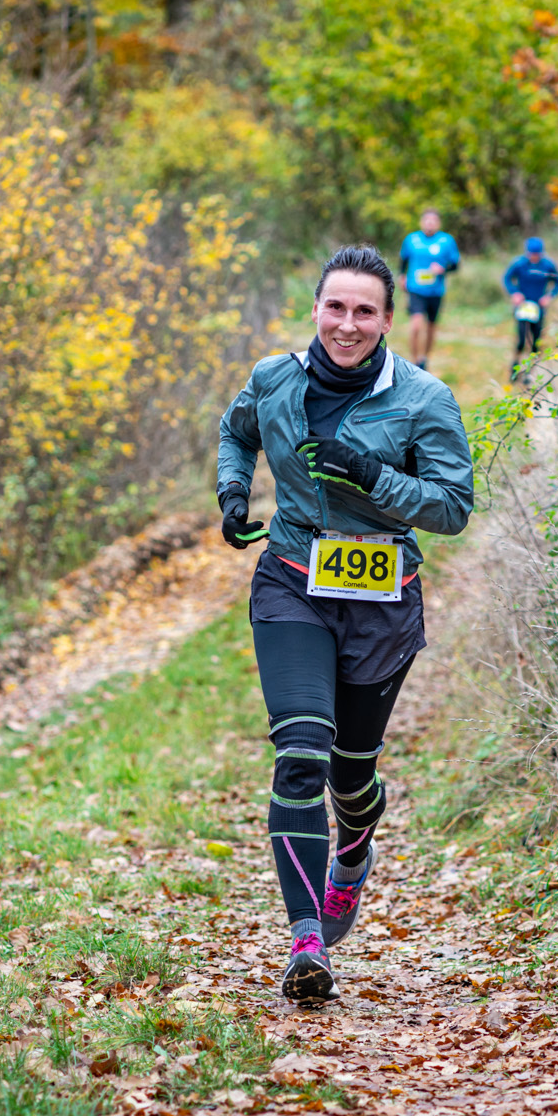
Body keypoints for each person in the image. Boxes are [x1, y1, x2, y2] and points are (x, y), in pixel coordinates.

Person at [216, 245, 475, 1004]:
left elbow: (452, 508)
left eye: (365, 311)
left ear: (389, 320)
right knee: (301, 753)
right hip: (292, 580)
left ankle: (354, 846)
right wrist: (233, 492)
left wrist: (371, 474)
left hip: (381, 601)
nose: (348, 324)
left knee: (350, 773)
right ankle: (307, 943)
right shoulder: (275, 378)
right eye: (336, 307)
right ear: (316, 309)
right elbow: (236, 432)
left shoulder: (423, 399)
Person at [397, 210, 460, 371]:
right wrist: (402, 276)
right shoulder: (411, 239)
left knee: (431, 327)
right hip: (416, 289)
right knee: (416, 325)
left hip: (435, 291)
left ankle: (425, 359)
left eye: (433, 220)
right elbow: (403, 260)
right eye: (427, 220)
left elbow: (455, 265)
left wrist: (443, 269)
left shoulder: (446, 240)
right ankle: (414, 360)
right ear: (421, 222)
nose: (430, 223)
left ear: (438, 223)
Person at [503, 236, 558, 380]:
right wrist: (514, 293)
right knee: (521, 340)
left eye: (537, 254)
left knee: (536, 342)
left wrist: (549, 296)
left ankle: (530, 373)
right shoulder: (519, 264)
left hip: (538, 308)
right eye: (531, 254)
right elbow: (507, 279)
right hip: (523, 307)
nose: (534, 257)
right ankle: (514, 369)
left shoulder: (547, 265)